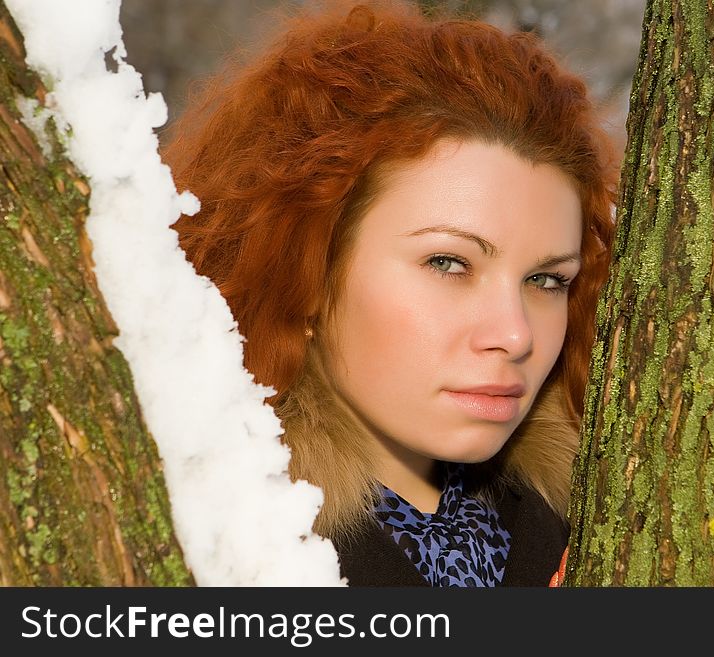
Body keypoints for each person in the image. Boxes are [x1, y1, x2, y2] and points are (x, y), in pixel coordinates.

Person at [163, 0, 617, 587]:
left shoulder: (601, 520)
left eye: (546, 280)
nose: (515, 333)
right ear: (306, 273)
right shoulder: (203, 549)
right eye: (449, 263)